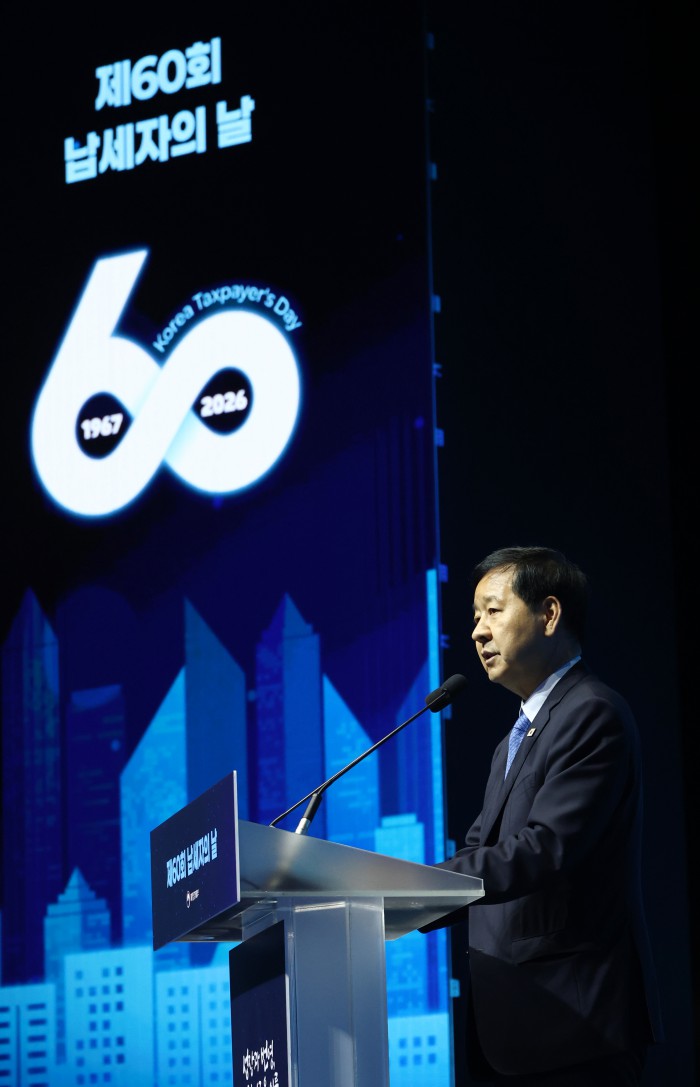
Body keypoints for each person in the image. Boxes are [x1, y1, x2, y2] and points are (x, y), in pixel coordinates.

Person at [422, 545, 663, 1085]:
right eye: (475, 617)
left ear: (549, 614)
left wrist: (408, 888)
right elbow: (479, 852)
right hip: (514, 1027)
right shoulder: (513, 740)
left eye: (493, 610)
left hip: (575, 1025)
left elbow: (543, 848)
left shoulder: (591, 712)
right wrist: (396, 897)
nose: (477, 632)